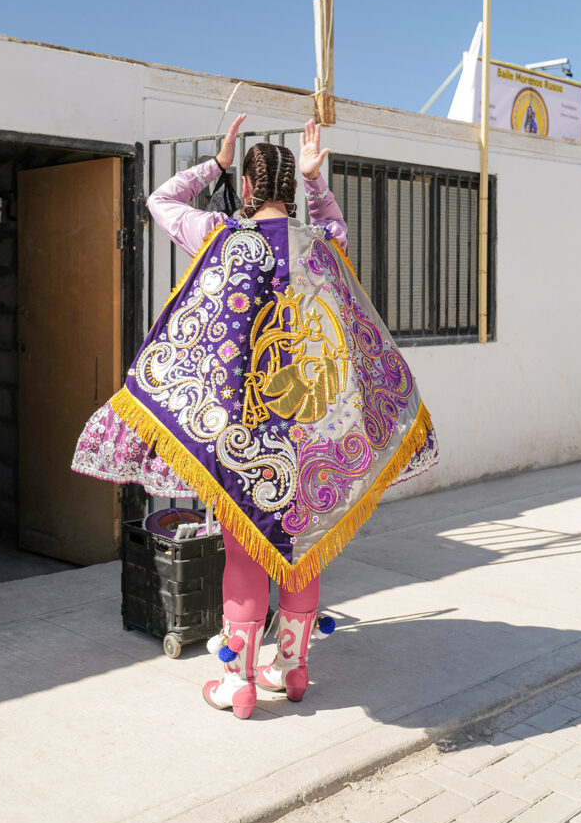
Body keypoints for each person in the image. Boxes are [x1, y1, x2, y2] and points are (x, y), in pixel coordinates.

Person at [72, 116, 438, 719]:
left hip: (245, 431)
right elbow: (333, 224)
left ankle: (237, 682)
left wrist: (213, 162)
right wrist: (317, 183)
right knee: (305, 547)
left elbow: (160, 200)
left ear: (245, 189)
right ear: (292, 190)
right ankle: (292, 670)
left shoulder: (219, 235)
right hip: (314, 428)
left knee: (247, 549)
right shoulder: (321, 246)